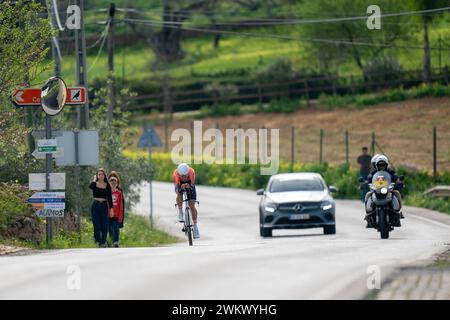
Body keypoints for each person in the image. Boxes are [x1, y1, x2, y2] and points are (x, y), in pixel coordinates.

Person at [364, 155, 404, 228]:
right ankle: (368, 215)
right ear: (376, 166)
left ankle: (399, 212)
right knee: (368, 194)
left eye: (383, 165)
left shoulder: (390, 171)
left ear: (386, 165)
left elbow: (396, 178)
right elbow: (369, 179)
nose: (381, 167)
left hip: (388, 190)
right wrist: (364, 183)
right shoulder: (373, 173)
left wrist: (399, 182)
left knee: (397, 193)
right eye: (379, 165)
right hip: (376, 190)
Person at [173, 163, 200, 239]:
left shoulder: (191, 172)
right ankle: (180, 212)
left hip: (190, 183)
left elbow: (192, 185)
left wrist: (189, 187)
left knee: (192, 205)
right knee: (179, 194)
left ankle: (195, 227)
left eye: (185, 176)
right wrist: (180, 188)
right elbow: (176, 189)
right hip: (179, 184)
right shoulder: (176, 174)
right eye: (182, 176)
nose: (184, 177)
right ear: (179, 174)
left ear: (188, 173)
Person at [89, 168, 114, 248]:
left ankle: (103, 242)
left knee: (104, 224)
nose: (100, 176)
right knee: (96, 225)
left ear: (104, 176)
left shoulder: (107, 186)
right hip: (95, 205)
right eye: (99, 174)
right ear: (97, 175)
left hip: (104, 206)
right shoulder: (94, 184)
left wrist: (111, 209)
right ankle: (98, 241)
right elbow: (90, 187)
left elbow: (109, 198)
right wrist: (93, 179)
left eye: (102, 174)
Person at [108, 176, 124, 248]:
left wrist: (120, 216)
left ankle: (116, 242)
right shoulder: (107, 192)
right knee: (109, 229)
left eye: (115, 183)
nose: (113, 185)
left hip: (116, 215)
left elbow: (120, 205)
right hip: (108, 215)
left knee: (116, 228)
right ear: (109, 184)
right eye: (112, 183)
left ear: (117, 184)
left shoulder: (119, 193)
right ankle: (111, 241)